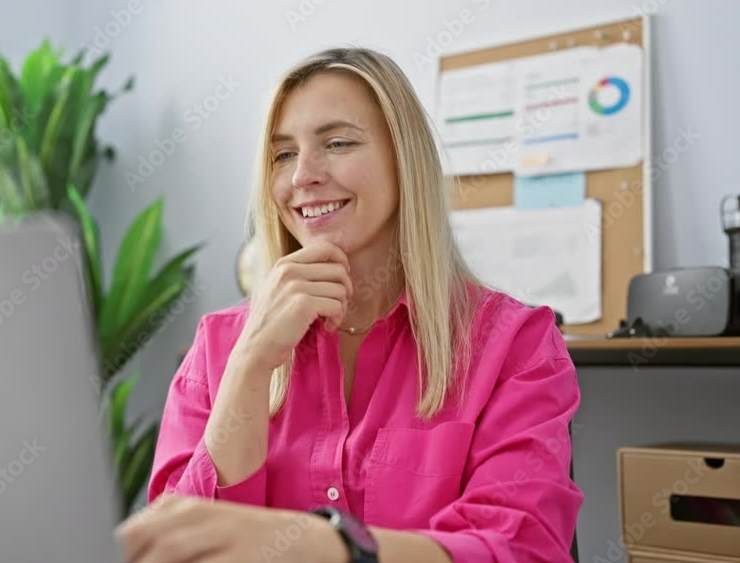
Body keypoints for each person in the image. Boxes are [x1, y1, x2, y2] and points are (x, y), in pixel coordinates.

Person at [116, 47, 582, 563]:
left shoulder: (514, 345)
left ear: (404, 160)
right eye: (284, 154)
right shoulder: (217, 346)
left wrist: (335, 549)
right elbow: (176, 546)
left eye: (336, 143)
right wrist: (249, 367)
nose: (302, 177)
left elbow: (520, 548)